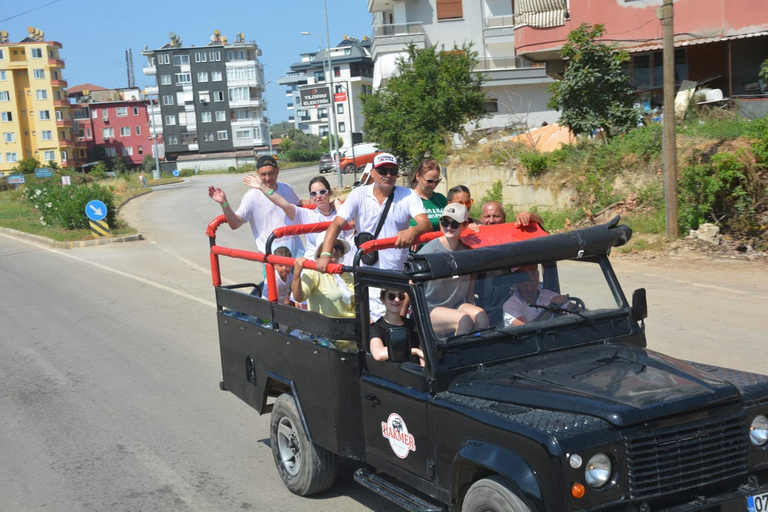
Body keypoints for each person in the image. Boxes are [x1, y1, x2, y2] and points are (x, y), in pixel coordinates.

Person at [315, 152, 431, 320]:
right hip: (370, 276)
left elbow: (425, 223)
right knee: (376, 327)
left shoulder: (407, 195)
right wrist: (325, 254)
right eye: (383, 170)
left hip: (398, 274)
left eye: (393, 171)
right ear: (373, 173)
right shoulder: (359, 194)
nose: (388, 175)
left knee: (397, 327)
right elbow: (337, 224)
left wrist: (412, 231)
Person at [242, 174, 355, 264]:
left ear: (329, 192)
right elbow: (283, 204)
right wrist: (263, 187)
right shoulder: (307, 214)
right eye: (313, 194)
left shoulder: (340, 212)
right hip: (314, 266)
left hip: (340, 264)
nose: (318, 196)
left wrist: (338, 205)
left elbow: (350, 231)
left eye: (322, 192)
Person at [207, 155, 304, 258]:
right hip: (272, 256)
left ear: (277, 171)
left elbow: (299, 204)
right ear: (257, 174)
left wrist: (320, 197)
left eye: (271, 173)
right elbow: (235, 223)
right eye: (263, 174)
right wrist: (224, 203)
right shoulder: (251, 196)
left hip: (296, 253)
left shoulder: (286, 188)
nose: (268, 178)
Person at [418, 203, 489, 337]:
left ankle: (480, 354)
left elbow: (470, 277)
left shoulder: (467, 249)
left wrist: (469, 301)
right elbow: (412, 281)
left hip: (456, 305)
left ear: (464, 225)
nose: (449, 227)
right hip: (430, 308)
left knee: (481, 316)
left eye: (455, 223)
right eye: (444, 222)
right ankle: (458, 357)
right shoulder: (429, 252)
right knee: (464, 319)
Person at [291, 240, 355, 318]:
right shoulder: (312, 272)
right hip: (329, 326)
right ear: (321, 251)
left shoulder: (345, 271)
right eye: (330, 247)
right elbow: (299, 298)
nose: (334, 250)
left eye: (338, 247)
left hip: (352, 324)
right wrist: (297, 274)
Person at [502, 264, 573, 326]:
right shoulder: (510, 305)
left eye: (533, 273)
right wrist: (551, 309)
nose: (531, 278)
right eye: (524, 275)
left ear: (538, 274)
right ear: (516, 280)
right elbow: (524, 330)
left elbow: (578, 310)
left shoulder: (549, 295)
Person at [369, 288, 425, 366]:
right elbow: (378, 354)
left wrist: (423, 367)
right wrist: (414, 351)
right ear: (382, 299)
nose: (397, 300)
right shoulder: (376, 328)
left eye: (401, 296)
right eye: (391, 296)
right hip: (395, 374)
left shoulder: (413, 325)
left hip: (418, 372)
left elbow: (423, 346)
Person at [409, 159, 447, 231]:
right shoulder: (408, 199)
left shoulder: (441, 199)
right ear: (418, 176)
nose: (433, 185)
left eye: (437, 181)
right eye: (430, 181)